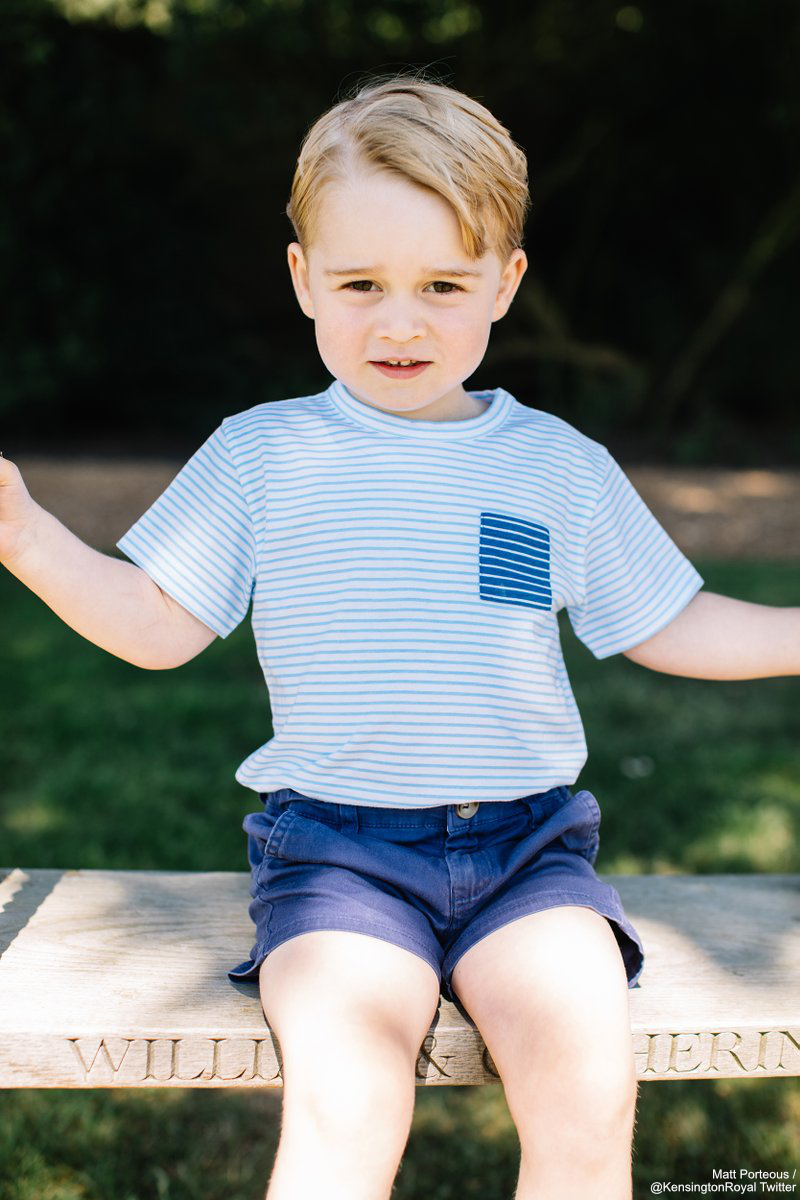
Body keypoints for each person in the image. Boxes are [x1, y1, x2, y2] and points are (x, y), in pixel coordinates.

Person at [1, 72, 797, 1200]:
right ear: (301, 280)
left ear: (505, 283)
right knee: (349, 1097)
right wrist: (25, 534)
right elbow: (155, 626)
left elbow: (669, 621)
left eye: (441, 283)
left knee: (584, 1083)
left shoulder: (553, 465)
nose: (401, 320)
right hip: (337, 858)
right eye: (361, 283)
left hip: (528, 855)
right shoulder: (260, 456)